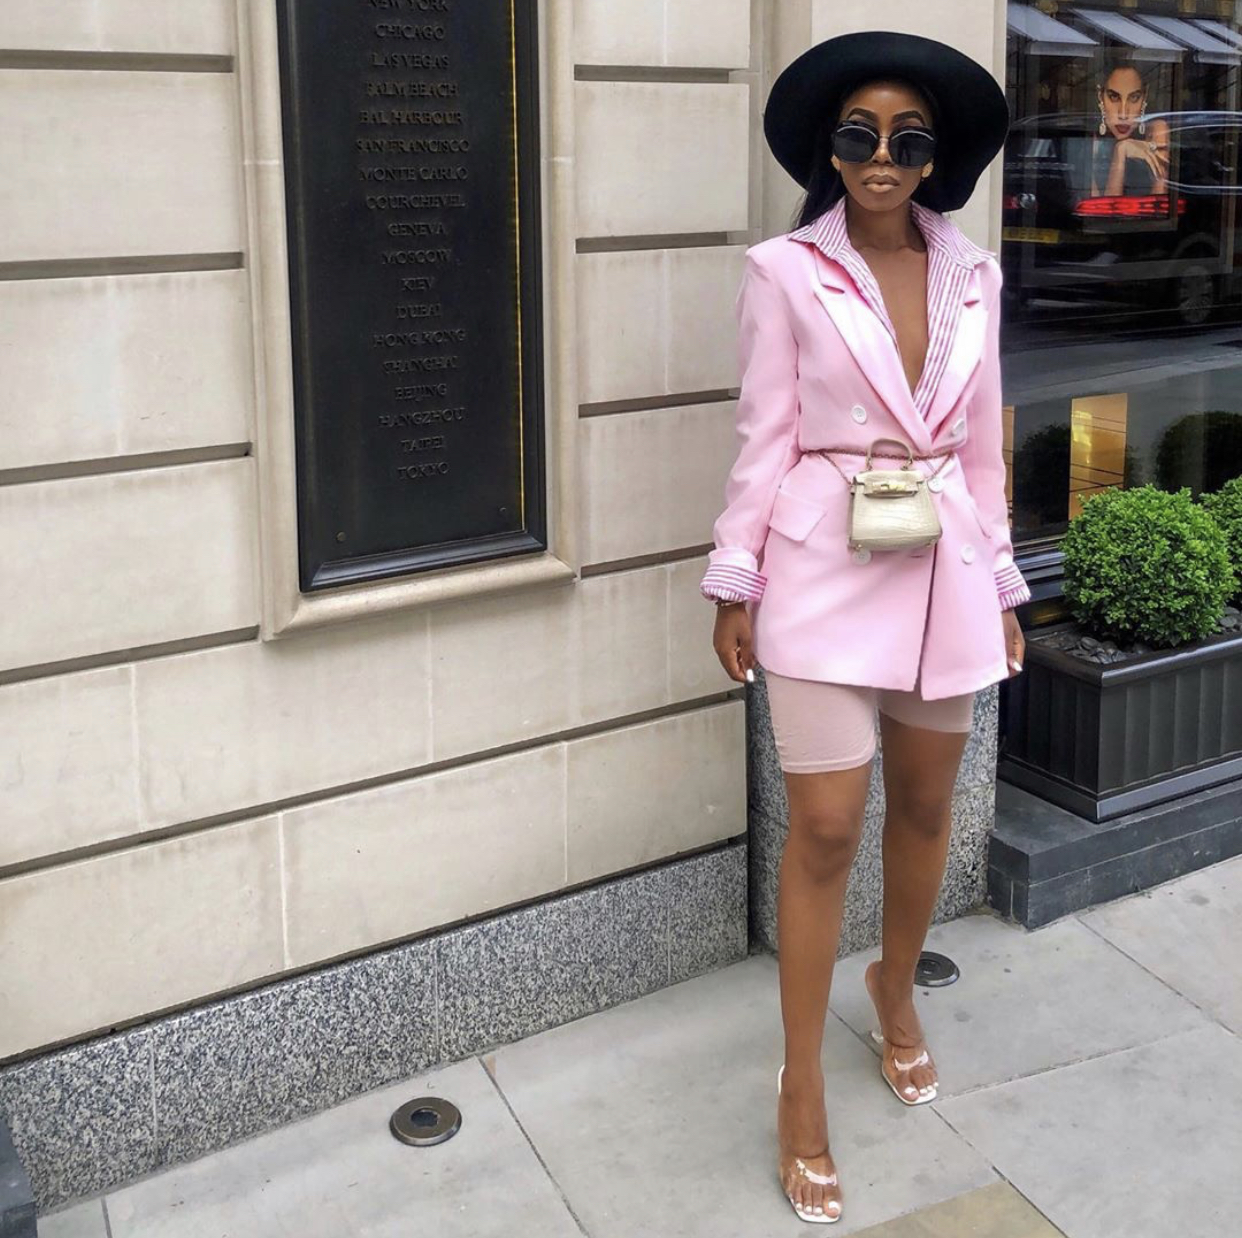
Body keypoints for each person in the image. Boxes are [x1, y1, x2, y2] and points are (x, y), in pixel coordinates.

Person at [699, 31, 1030, 1225]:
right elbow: (764, 435)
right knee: (830, 824)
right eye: (858, 133)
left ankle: (895, 984)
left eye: (907, 138)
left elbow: (985, 443)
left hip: (944, 565)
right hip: (821, 565)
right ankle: (801, 1084)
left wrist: (1005, 583)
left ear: (937, 156)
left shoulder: (977, 275)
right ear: (828, 150)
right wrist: (735, 578)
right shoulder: (785, 272)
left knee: (930, 807)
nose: (882, 156)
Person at [1089, 58, 1169, 197]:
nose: (1123, 114)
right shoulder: (1090, 139)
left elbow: (1158, 202)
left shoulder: (1156, 130)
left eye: (1134, 98)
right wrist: (1120, 152)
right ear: (1100, 96)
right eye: (1114, 97)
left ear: (1144, 97)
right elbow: (1102, 208)